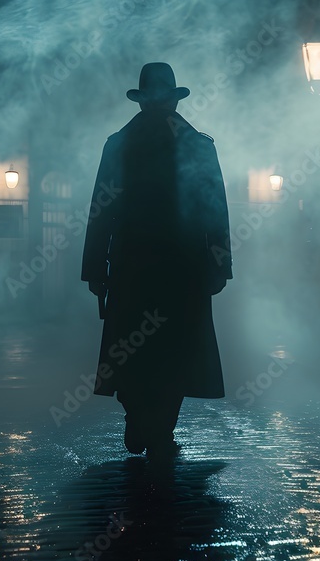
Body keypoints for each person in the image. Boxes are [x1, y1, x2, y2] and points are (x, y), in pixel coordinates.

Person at [82, 62, 232, 459]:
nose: (160, 104)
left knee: (146, 349)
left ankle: (151, 423)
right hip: (181, 267)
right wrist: (219, 264)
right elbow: (214, 211)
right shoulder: (196, 144)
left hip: (139, 265)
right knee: (174, 350)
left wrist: (96, 268)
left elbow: (101, 210)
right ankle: (155, 427)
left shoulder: (121, 144)